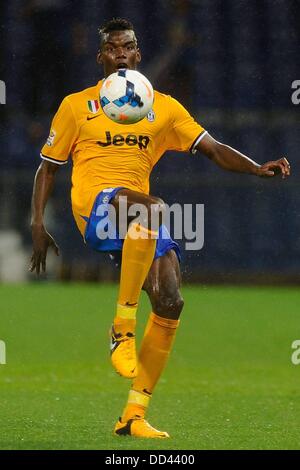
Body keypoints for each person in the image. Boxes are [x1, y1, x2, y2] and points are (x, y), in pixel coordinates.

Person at [30, 18, 290, 439]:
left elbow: (212, 147)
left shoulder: (163, 107)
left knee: (171, 300)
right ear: (101, 58)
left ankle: (133, 414)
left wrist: (256, 168)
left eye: (127, 47)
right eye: (112, 48)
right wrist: (37, 222)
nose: (120, 54)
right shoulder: (77, 105)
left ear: (138, 54)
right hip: (95, 206)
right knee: (153, 208)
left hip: (136, 222)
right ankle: (122, 328)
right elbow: (48, 167)